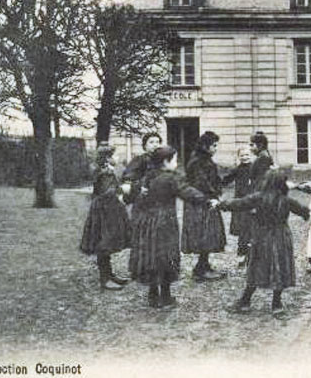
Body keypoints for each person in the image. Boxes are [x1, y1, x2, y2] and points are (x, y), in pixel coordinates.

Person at [129, 146, 214, 308]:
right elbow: (187, 192)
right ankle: (166, 297)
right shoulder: (171, 178)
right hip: (165, 223)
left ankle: (153, 295)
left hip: (148, 222)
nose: (177, 163)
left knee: (152, 256)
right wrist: (206, 199)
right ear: (166, 162)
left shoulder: (149, 176)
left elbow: (138, 195)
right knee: (167, 257)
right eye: (175, 160)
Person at [222, 169, 310, 314]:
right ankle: (277, 304)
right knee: (280, 268)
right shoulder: (287, 200)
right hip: (282, 236)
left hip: (262, 237)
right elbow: (305, 211)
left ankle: (245, 301)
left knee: (256, 267)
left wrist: (220, 204)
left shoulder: (259, 197)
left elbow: (239, 203)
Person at [79, 143, 132, 290]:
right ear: (108, 158)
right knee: (104, 243)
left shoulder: (106, 171)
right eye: (114, 155)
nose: (117, 157)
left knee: (106, 243)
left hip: (106, 210)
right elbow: (107, 193)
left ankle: (109, 274)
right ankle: (105, 279)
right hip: (104, 212)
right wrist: (122, 189)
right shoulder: (105, 173)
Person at [183, 132, 227, 281]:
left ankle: (204, 265)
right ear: (205, 146)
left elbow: (213, 179)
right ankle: (200, 269)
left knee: (209, 234)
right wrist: (214, 194)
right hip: (200, 203)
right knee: (204, 234)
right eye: (214, 145)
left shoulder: (205, 159)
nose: (216, 148)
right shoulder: (197, 161)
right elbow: (201, 182)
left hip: (205, 201)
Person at [221, 147, 256, 266]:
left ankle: (253, 254)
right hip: (240, 202)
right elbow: (226, 180)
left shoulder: (255, 168)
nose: (245, 157)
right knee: (242, 229)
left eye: (247, 155)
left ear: (251, 155)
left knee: (253, 228)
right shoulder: (237, 169)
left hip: (252, 201)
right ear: (238, 157)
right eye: (242, 155)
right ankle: (241, 253)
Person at [122, 132, 161, 207]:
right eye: (151, 142)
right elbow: (128, 178)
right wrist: (139, 188)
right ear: (145, 146)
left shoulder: (161, 161)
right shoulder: (139, 160)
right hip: (143, 198)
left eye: (157, 142)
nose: (155, 145)